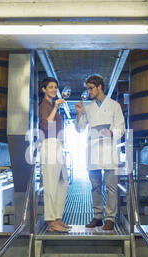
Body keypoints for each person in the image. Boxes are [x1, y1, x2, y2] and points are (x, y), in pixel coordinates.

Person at [75, 75, 126, 231]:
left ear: (100, 87)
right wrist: (79, 112)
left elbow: (121, 128)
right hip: (93, 151)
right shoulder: (88, 107)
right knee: (95, 186)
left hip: (109, 150)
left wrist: (111, 133)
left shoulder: (114, 105)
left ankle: (109, 218)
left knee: (111, 187)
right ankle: (97, 217)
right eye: (88, 88)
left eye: (91, 88)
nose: (89, 91)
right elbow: (79, 128)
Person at [38, 77, 71, 233]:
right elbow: (45, 124)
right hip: (49, 144)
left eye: (55, 87)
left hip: (57, 145)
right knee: (50, 185)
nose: (54, 90)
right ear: (44, 89)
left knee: (63, 181)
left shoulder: (51, 105)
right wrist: (56, 107)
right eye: (50, 87)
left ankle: (58, 217)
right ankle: (51, 222)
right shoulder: (44, 105)